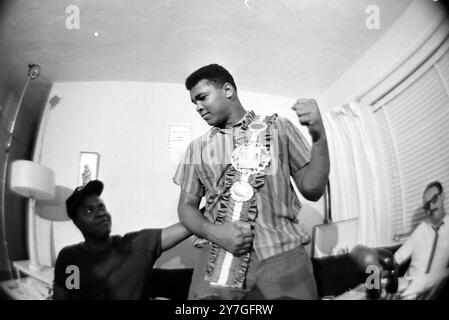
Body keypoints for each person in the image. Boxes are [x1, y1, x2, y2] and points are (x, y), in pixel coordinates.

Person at [173, 64, 329, 300]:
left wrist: (319, 135)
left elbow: (313, 190)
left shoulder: (279, 127)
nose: (198, 107)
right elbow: (185, 208)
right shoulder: (196, 148)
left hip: (283, 256)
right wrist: (216, 233)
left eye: (202, 98)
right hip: (218, 257)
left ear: (227, 90)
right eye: (194, 103)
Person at [53, 180, 191, 300]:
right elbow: (65, 295)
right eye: (89, 211)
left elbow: (187, 226)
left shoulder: (134, 245)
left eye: (101, 207)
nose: (100, 213)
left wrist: (211, 207)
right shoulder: (71, 258)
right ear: (77, 223)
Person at [394, 181, 449, 278]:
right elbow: (398, 257)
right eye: (427, 206)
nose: (431, 207)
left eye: (434, 199)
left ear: (443, 196)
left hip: (433, 290)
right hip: (406, 285)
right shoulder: (422, 228)